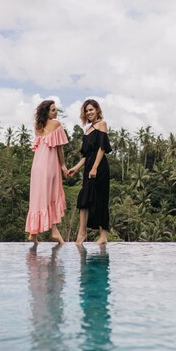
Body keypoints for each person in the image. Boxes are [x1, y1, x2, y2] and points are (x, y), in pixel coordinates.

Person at [68, 99, 112, 245]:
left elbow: (102, 148)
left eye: (91, 109)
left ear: (97, 110)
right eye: (87, 111)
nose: (89, 113)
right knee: (84, 200)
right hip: (88, 168)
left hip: (99, 168)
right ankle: (82, 232)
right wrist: (76, 168)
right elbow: (86, 156)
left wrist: (94, 167)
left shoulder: (102, 124)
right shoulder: (87, 130)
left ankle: (103, 235)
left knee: (100, 200)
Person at [25, 100, 69, 244]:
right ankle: (54, 231)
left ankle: (33, 233)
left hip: (36, 166)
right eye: (53, 110)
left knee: (38, 197)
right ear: (47, 112)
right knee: (51, 194)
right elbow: (59, 148)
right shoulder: (56, 125)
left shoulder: (37, 127)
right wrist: (63, 165)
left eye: (56, 109)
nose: (56, 112)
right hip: (50, 165)